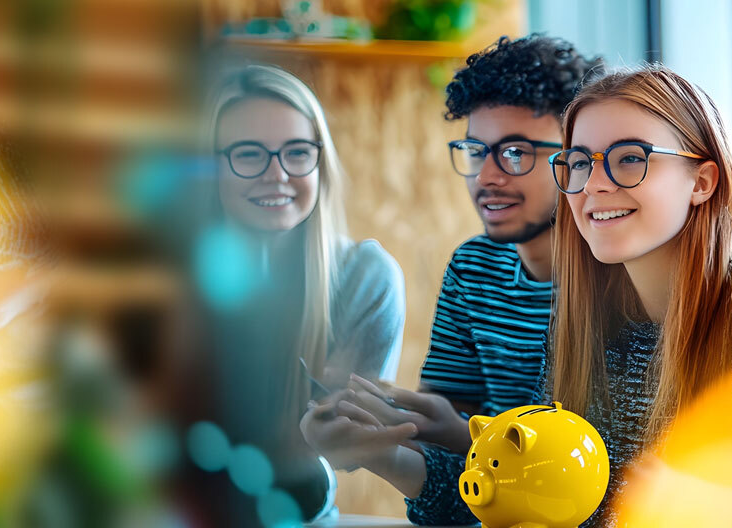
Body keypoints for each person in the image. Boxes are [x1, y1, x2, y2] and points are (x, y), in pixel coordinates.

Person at [296, 35, 604, 521]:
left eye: (516, 153)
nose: (487, 176)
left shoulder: (619, 280)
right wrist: (383, 437)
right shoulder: (474, 267)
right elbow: (459, 470)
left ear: (577, 159)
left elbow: (587, 482)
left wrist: (459, 434)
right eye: (476, 150)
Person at [546, 66, 732, 525]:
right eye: (580, 162)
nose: (593, 184)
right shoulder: (583, 305)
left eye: (629, 158)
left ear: (702, 182)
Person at [188, 64, 406, 523]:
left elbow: (335, 455)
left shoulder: (366, 277)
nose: (278, 174)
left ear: (319, 161)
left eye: (297, 152)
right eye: (249, 154)